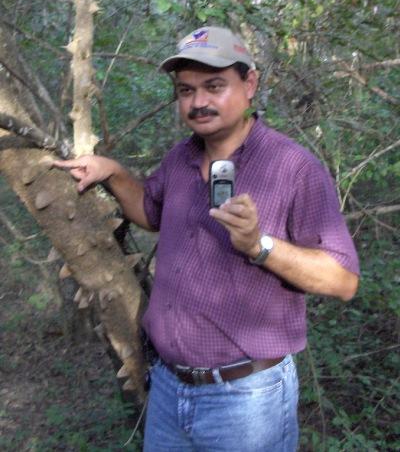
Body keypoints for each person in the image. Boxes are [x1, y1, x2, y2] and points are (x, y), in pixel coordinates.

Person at [54, 26, 359, 451]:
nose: (198, 102)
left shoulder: (293, 167)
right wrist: (114, 172)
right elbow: (150, 213)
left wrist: (259, 245)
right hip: (167, 388)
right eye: (185, 90)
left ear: (249, 83)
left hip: (248, 400)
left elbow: (343, 280)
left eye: (214, 86)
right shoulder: (181, 157)